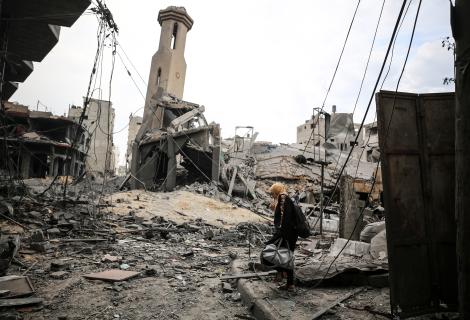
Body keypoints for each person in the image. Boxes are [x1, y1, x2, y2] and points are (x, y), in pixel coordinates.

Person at [264, 182, 299, 291]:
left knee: (270, 253)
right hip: (291, 233)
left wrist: (278, 235)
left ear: (276, 191)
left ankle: (285, 278)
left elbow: (284, 218)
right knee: (286, 255)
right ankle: (288, 281)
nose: (272, 196)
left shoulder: (283, 197)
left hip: (287, 233)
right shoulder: (285, 197)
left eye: (272, 193)